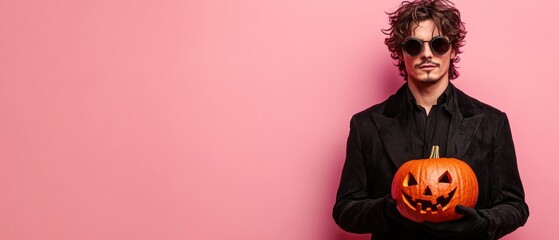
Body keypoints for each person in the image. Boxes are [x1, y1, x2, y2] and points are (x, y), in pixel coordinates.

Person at [332, 0, 529, 239]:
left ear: (453, 49)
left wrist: (482, 224)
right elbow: (345, 210)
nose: (427, 54)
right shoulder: (366, 125)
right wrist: (391, 208)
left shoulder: (492, 122)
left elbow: (515, 206)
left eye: (438, 44)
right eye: (414, 46)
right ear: (401, 52)